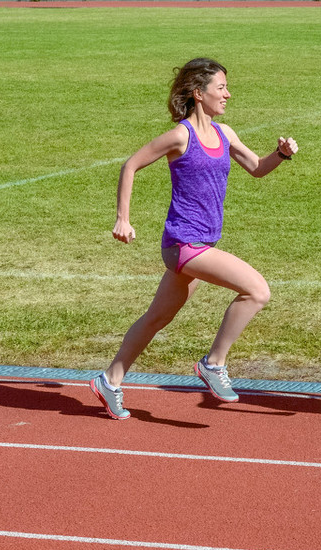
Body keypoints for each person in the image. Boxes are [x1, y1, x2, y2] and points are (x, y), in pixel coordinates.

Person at [88, 57, 298, 420]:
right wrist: (123, 218)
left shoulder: (225, 133)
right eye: (221, 88)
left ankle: (110, 380)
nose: (228, 94)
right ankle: (213, 364)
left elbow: (257, 168)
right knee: (257, 291)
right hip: (183, 243)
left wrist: (280, 154)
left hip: (202, 244)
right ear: (199, 94)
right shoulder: (180, 135)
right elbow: (131, 165)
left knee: (155, 319)